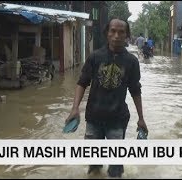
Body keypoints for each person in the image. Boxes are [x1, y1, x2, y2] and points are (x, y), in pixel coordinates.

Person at [65, 18, 148, 178]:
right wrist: (75, 109)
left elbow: (135, 90)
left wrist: (141, 118)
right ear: (107, 34)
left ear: (127, 35)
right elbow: (82, 83)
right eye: (113, 31)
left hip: (117, 120)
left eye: (121, 32)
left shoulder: (131, 61)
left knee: (115, 170)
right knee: (94, 166)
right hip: (93, 118)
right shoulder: (95, 57)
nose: (117, 35)